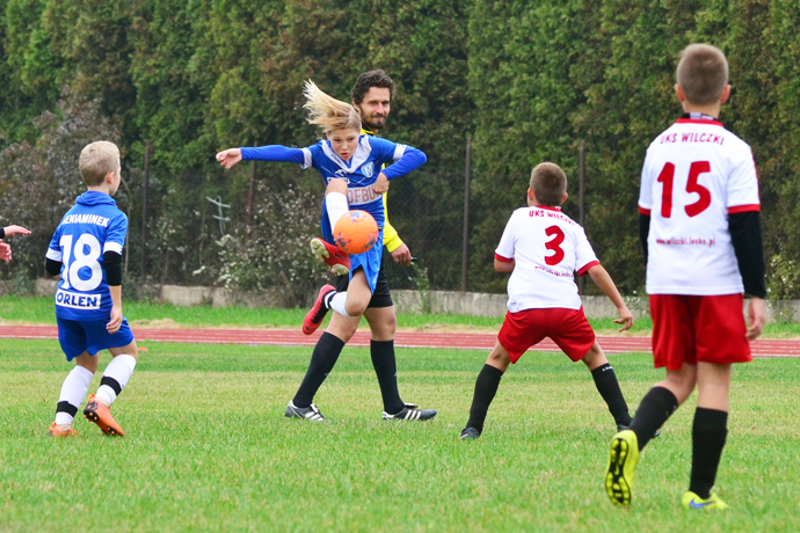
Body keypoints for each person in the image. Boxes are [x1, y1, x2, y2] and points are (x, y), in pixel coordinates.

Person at [604, 43, 766, 510]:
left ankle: (633, 436)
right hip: (715, 281)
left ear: (678, 92)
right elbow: (745, 224)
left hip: (667, 278)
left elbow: (645, 222)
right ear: (726, 93)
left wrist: (657, 271)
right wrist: (755, 292)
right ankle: (699, 494)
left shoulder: (658, 148)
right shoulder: (735, 150)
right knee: (713, 382)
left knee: (679, 377)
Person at [216, 80, 436, 422]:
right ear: (328, 137)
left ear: (359, 134)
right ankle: (332, 286)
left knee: (383, 324)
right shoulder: (322, 153)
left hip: (371, 241)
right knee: (352, 306)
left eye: (350, 139)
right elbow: (286, 153)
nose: (344, 147)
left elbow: (418, 155)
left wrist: (387, 175)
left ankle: (389, 407)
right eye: (337, 140)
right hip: (346, 238)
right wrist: (244, 153)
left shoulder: (373, 146)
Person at [459, 162, 635, 440]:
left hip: (527, 308)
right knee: (595, 357)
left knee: (497, 359)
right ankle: (625, 423)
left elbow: (500, 263)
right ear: (564, 198)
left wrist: (526, 260)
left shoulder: (519, 216)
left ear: (530, 193)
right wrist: (621, 306)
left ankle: (472, 428)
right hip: (565, 308)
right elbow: (594, 268)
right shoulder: (573, 227)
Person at [45, 141, 138, 437]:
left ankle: (62, 425)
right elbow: (111, 259)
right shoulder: (115, 216)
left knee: (86, 361)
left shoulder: (69, 215)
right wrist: (116, 304)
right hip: (96, 305)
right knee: (127, 354)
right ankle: (101, 402)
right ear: (112, 177)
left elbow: (50, 265)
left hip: (66, 304)